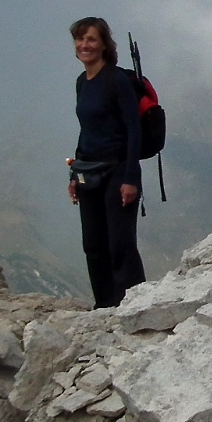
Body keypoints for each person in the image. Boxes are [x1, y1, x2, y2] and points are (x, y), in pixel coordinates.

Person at [68, 17, 145, 306]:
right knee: (94, 246)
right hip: (88, 170)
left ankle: (134, 305)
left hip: (116, 170)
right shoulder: (81, 82)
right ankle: (104, 307)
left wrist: (131, 178)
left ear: (103, 45)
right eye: (80, 39)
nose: (84, 45)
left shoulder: (117, 80)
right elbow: (86, 130)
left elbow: (133, 130)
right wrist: (74, 175)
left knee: (120, 245)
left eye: (91, 39)